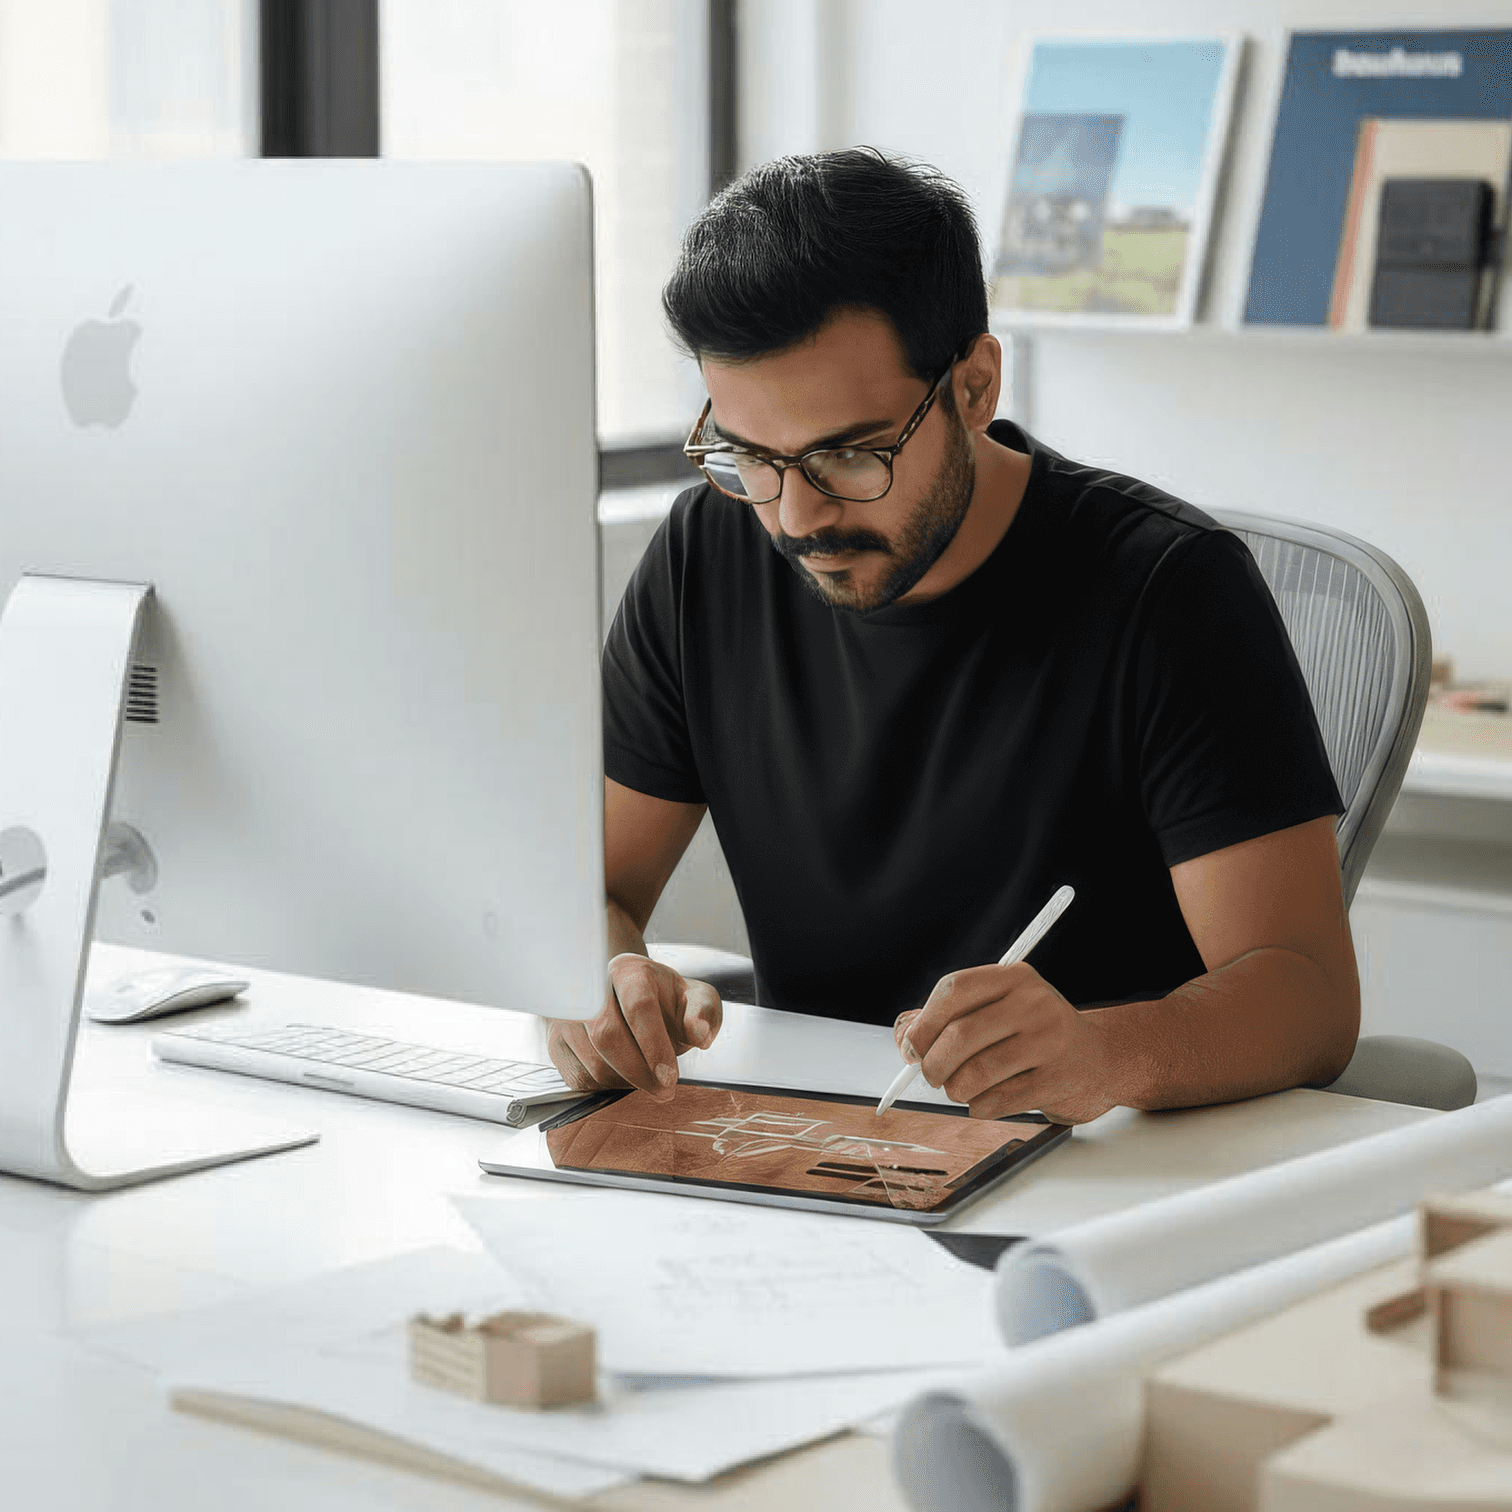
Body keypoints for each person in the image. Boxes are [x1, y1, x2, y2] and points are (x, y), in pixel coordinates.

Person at [547, 148, 1359, 1124]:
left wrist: (1106, 1053)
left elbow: (1307, 997)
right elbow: (591, 889)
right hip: (822, 1142)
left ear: (974, 387)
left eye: (849, 454)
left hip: (1108, 1166)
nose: (796, 517)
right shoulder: (704, 555)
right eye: (750, 456)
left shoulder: (1168, 589)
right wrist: (603, 981)